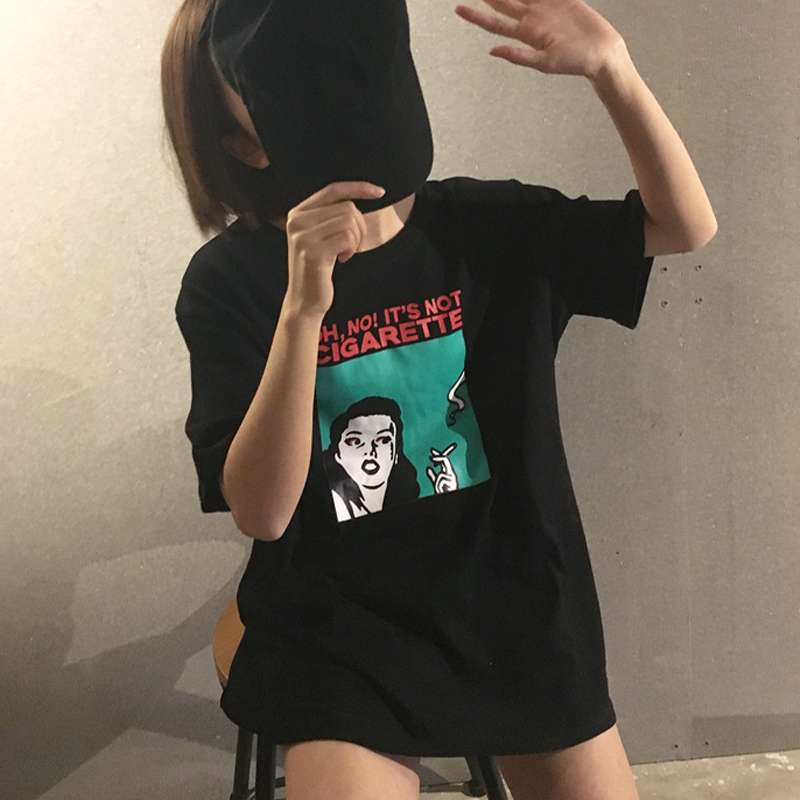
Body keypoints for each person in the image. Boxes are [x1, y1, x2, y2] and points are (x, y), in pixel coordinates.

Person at [162, 0, 717, 798]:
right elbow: (264, 512)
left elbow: (684, 226)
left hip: (515, 610)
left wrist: (612, 69)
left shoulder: (489, 228)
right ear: (243, 143)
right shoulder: (231, 282)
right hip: (342, 636)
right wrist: (302, 311)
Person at [323, 396, 420, 520]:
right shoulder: (331, 502)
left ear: (396, 453)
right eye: (355, 441)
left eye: (383, 440)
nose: (370, 451)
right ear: (337, 455)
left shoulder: (406, 499)